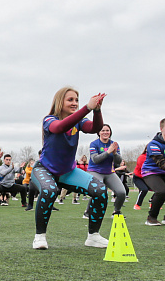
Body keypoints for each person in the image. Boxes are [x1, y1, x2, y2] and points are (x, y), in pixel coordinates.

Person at [30, 87, 110, 249]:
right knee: (49, 190)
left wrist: (97, 111)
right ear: (60, 102)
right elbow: (59, 128)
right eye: (70, 100)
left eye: (76, 100)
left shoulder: (78, 122)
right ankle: (39, 236)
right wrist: (87, 108)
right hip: (44, 169)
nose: (74, 103)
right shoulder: (49, 120)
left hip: (68, 172)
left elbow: (95, 128)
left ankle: (93, 236)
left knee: (100, 190)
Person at [86, 124, 127, 216]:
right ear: (99, 133)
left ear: (110, 132)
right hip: (95, 171)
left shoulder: (114, 144)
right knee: (99, 191)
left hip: (109, 172)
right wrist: (108, 152)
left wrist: (115, 153)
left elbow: (118, 162)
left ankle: (116, 211)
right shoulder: (94, 144)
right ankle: (88, 212)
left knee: (121, 192)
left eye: (107, 130)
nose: (105, 132)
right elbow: (95, 159)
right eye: (103, 130)